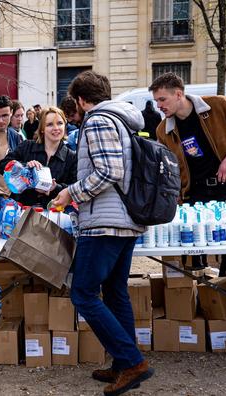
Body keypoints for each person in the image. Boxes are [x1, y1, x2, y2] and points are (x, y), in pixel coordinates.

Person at [52, 70, 153, 396]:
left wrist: (72, 193)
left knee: (83, 293)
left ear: (81, 100)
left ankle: (132, 361)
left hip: (105, 224)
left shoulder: (97, 121)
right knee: (114, 292)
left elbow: (110, 171)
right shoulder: (121, 119)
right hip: (124, 220)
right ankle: (124, 363)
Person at [150, 72, 226, 275]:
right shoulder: (162, 129)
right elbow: (168, 166)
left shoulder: (218, 106)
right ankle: (200, 300)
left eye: (163, 99)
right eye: (156, 101)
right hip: (193, 195)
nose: (159, 105)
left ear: (179, 94)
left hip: (225, 188)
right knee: (193, 255)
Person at [0, 106, 77, 208]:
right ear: (42, 129)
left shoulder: (71, 157)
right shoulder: (27, 146)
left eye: (60, 123)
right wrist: (25, 167)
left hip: (54, 215)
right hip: (23, 211)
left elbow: (75, 187)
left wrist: (55, 187)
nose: (56, 128)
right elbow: (2, 166)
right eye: (49, 124)